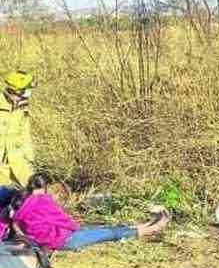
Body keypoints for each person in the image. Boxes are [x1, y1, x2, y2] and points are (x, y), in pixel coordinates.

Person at [7, 173, 170, 251]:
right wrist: (79, 227)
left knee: (103, 230)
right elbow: (64, 220)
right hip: (64, 240)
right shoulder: (42, 201)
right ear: (46, 186)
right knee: (107, 233)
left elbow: (14, 223)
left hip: (51, 240)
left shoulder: (20, 199)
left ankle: (143, 226)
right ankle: (149, 228)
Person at [0, 71, 36, 193]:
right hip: (2, 165)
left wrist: (30, 159)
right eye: (26, 90)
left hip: (17, 161)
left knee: (25, 193)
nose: (29, 93)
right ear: (16, 90)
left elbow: (25, 135)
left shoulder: (23, 107)